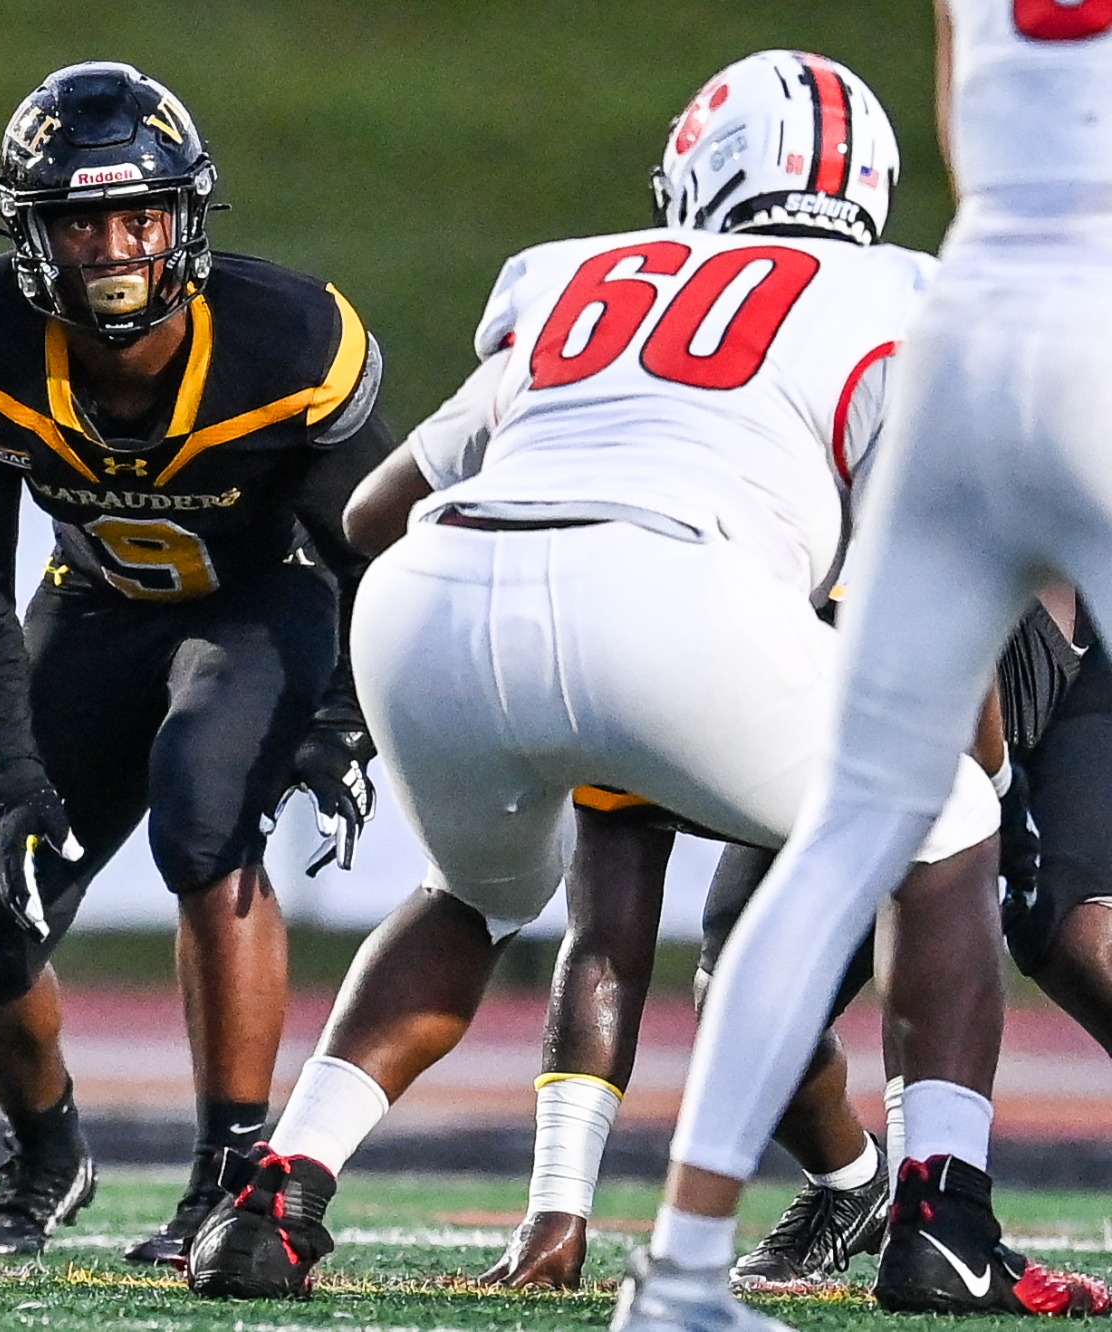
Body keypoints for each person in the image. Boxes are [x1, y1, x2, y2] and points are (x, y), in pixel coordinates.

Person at [184, 49, 1007, 1302]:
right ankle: (940, 1219)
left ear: (700, 168)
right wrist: (975, 751)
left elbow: (368, 513)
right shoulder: (903, 293)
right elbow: (932, 572)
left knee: (467, 896)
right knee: (946, 816)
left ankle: (280, 1189)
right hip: (675, 591)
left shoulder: (572, 273)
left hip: (431, 590)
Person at [616, 5, 1112, 1326]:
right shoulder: (874, 286)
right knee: (931, 883)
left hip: (997, 359)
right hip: (1048, 360)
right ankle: (909, 1214)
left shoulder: (848, 287)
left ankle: (685, 1271)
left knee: (928, 869)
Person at [0, 61, 391, 1263]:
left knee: (202, 815)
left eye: (138, 216)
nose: (115, 248)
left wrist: (346, 715)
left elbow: (374, 549)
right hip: (93, 601)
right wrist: (3, 761)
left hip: (259, 599)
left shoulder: (287, 340)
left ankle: (228, 1172)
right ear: (31, 235)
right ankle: (45, 1149)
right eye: (81, 222)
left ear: (185, 217)